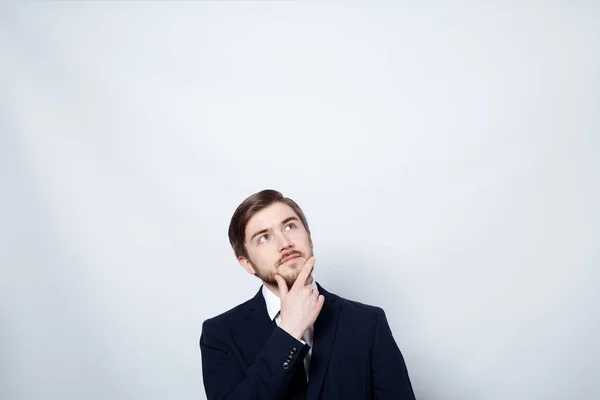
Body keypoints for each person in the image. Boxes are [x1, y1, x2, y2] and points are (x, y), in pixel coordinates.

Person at [199, 189, 416, 399]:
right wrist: (289, 332)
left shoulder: (369, 323)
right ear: (247, 264)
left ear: (309, 236)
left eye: (290, 226)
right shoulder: (220, 335)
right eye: (264, 238)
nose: (285, 244)